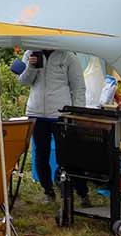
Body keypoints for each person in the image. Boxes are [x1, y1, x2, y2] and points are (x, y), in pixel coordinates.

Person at [10, 46, 83, 197]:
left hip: (61, 112)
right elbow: (24, 81)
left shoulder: (68, 55)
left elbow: (78, 87)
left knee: (67, 154)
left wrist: (77, 113)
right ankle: (47, 190)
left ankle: (78, 191)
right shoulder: (30, 53)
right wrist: (31, 66)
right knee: (41, 153)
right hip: (36, 112)